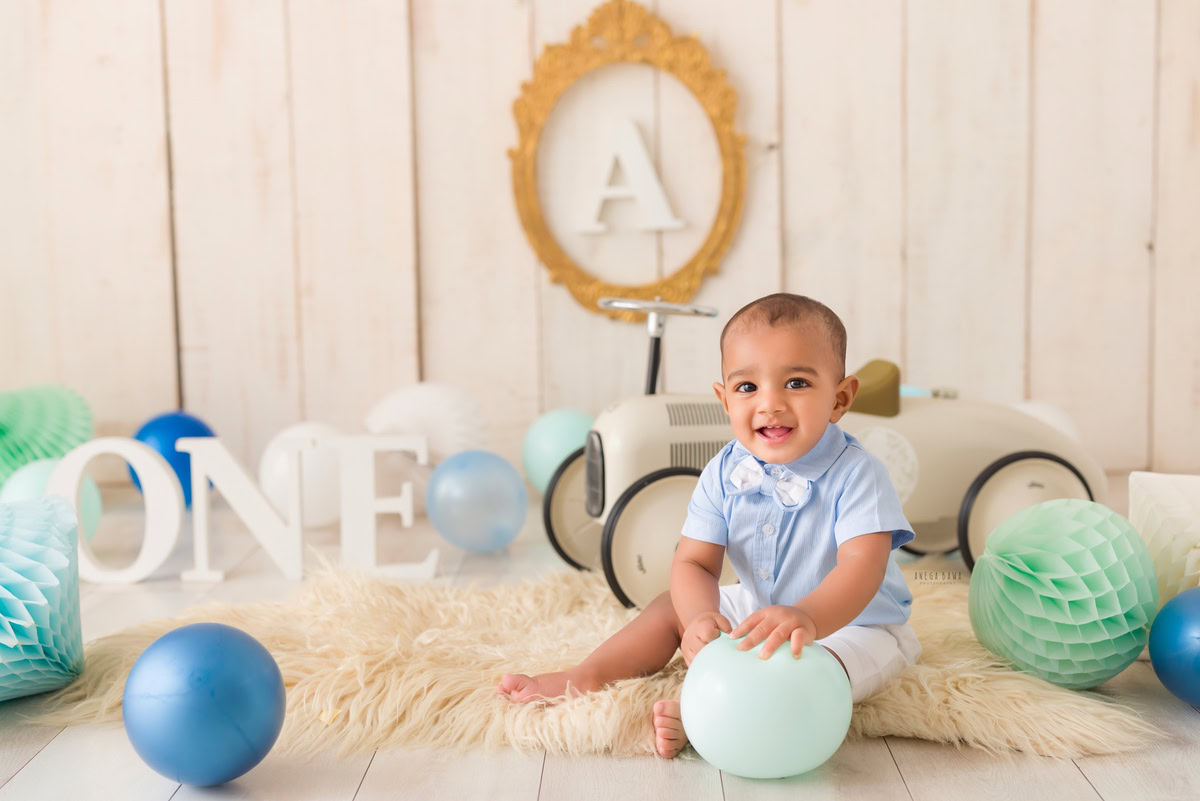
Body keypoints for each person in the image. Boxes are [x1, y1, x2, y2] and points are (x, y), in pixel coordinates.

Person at [497, 293, 921, 759]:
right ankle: (587, 676)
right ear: (723, 399)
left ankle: (707, 724)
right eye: (747, 388)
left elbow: (863, 566)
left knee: (809, 672)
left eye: (796, 382)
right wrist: (700, 617)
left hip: (856, 625)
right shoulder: (724, 471)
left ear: (839, 399)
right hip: (763, 607)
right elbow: (695, 562)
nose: (770, 404)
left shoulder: (858, 474)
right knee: (668, 606)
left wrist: (810, 619)